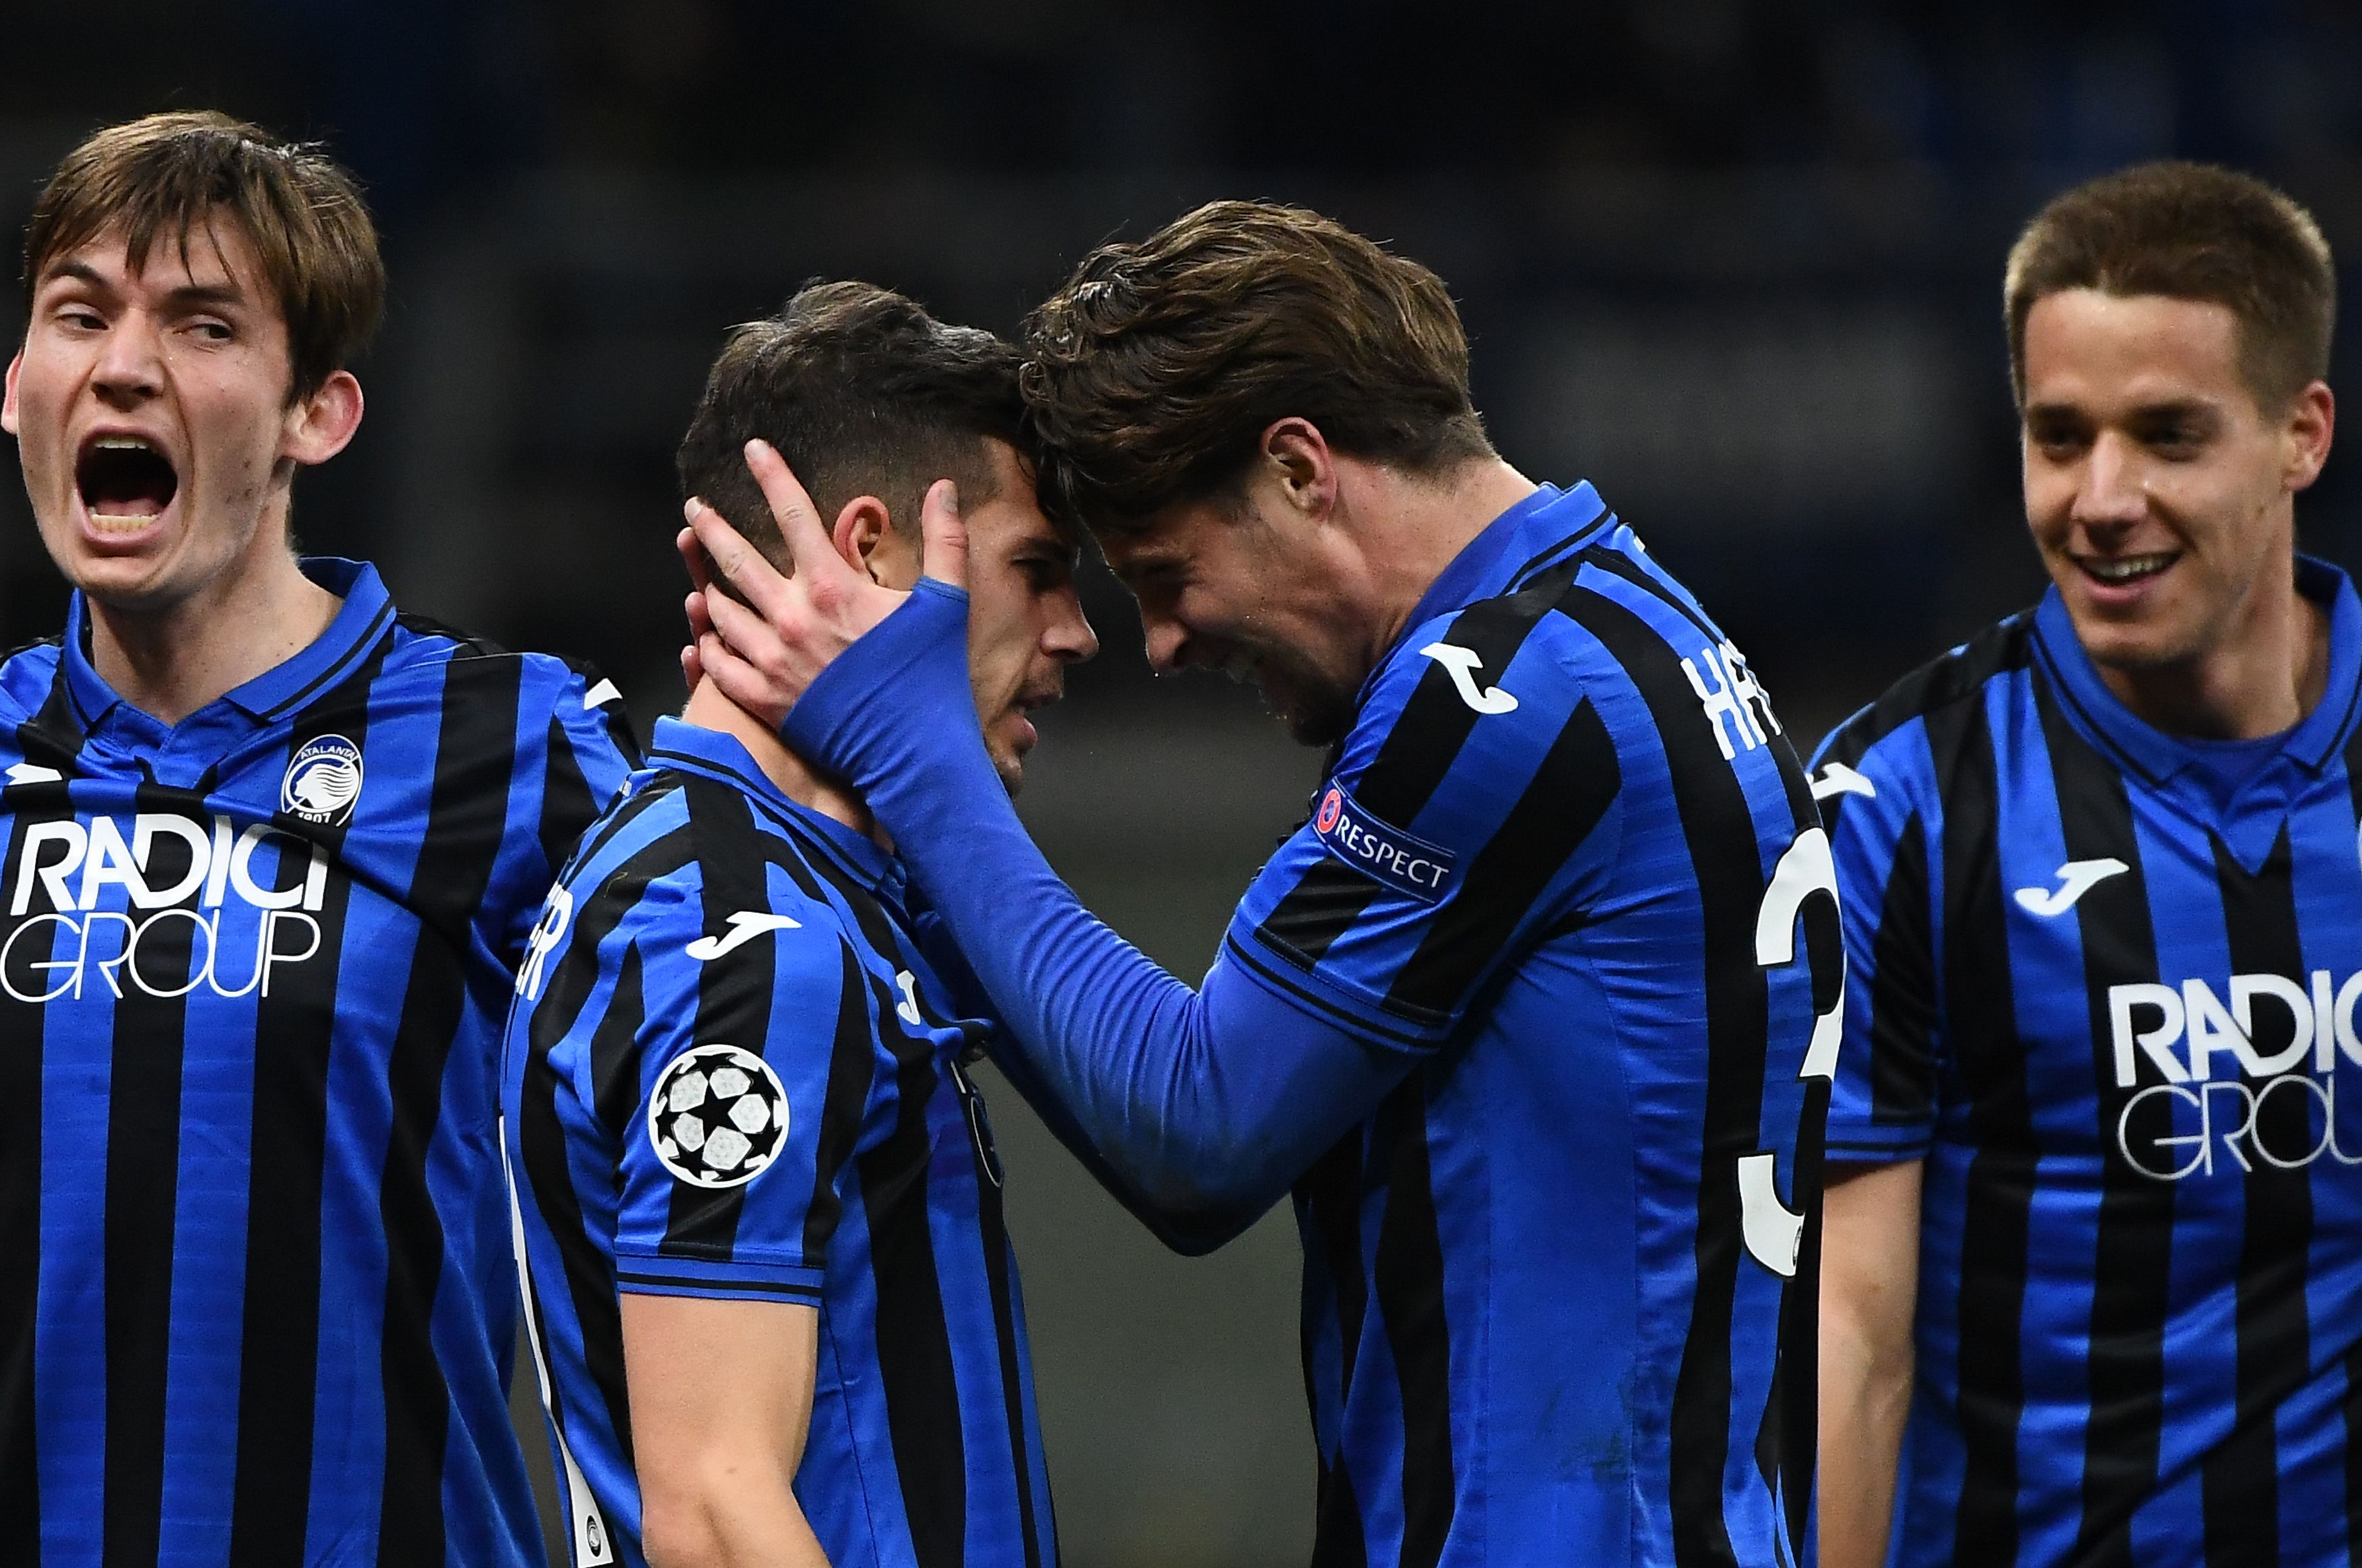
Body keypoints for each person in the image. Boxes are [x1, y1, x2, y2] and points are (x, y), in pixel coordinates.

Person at [681, 202, 1841, 1565]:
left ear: (1300, 470)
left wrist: (911, 755)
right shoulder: (1631, 627)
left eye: (1168, 577)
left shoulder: (1501, 696)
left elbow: (1198, 1127)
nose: (1162, 646)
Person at [0, 112, 637, 1567]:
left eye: (203, 325)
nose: (123, 364)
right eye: (80, 314)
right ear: (20, 389)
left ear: (319, 413)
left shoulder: (516, 754)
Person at [501, 282, 1098, 1568]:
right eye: (1037, 571)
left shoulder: (683, 870)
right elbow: (715, 1509)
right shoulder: (747, 939)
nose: (1074, 634)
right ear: (871, 551)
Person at [1811, 161, 2353, 1567]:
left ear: (2302, 436)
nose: (2102, 499)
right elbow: (1848, 1337)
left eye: (2169, 436)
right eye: (2061, 438)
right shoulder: (1902, 806)